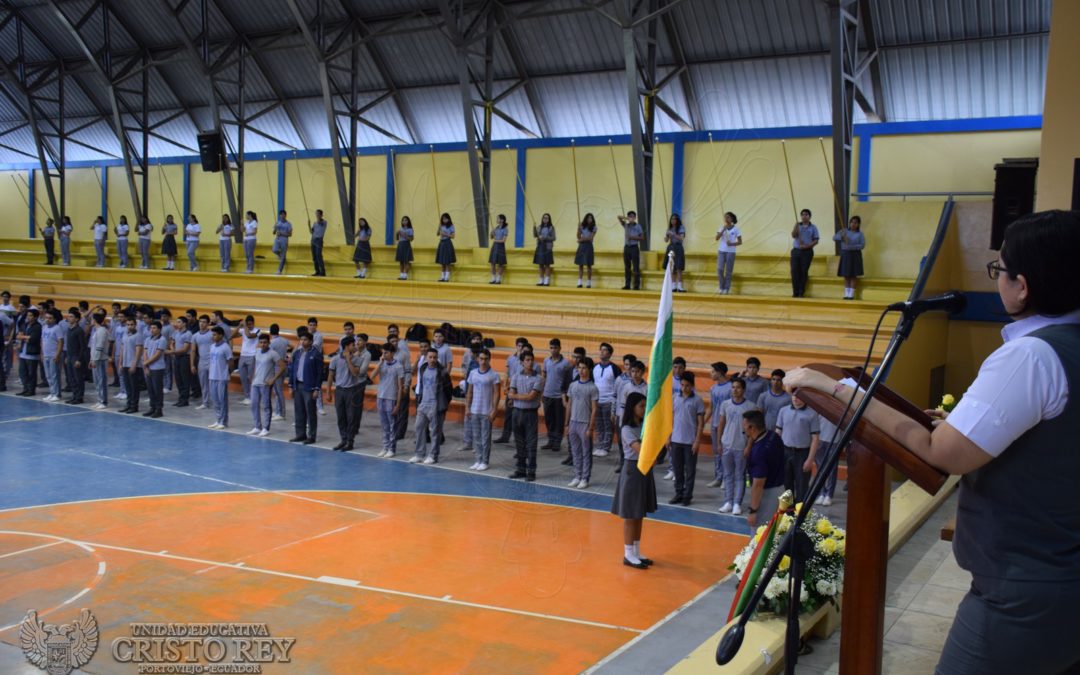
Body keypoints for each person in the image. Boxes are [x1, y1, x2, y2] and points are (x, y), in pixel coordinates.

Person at [786, 209, 1080, 675]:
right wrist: (959, 423)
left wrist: (832, 388)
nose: (997, 278)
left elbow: (939, 452)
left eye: (999, 270)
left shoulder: (1031, 356)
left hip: (1025, 590)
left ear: (1022, 285)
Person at [611, 392, 657, 569]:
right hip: (633, 470)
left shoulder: (644, 426)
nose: (644, 409)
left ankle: (636, 551)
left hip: (644, 471)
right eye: (641, 406)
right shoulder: (626, 429)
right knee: (631, 515)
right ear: (632, 408)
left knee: (639, 514)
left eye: (645, 405)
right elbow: (640, 450)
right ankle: (628, 554)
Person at [717, 377, 757, 514]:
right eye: (733, 387)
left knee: (740, 475)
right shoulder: (725, 404)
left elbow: (753, 430)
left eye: (738, 387)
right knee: (727, 475)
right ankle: (728, 501)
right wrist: (719, 442)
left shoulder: (751, 406)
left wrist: (749, 446)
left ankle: (737, 503)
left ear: (744, 390)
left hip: (741, 446)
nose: (735, 390)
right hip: (726, 444)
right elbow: (721, 423)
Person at [742, 409, 786, 528]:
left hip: (767, 494)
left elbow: (758, 485)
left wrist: (753, 511)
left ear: (752, 428)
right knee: (775, 530)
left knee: (759, 534)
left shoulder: (759, 453)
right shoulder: (774, 436)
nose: (743, 428)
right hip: (780, 489)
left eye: (745, 426)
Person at [774, 394, 820, 503]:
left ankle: (799, 515)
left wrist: (810, 459)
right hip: (785, 452)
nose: (795, 398)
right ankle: (788, 514)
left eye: (798, 396)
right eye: (793, 396)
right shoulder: (783, 411)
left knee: (802, 486)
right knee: (786, 485)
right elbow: (778, 432)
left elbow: (815, 438)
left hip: (802, 454)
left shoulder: (812, 414)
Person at [669, 371, 705, 505]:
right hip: (675, 440)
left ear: (693, 386)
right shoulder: (674, 398)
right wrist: (668, 437)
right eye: (682, 385)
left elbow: (701, 423)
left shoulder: (698, 400)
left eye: (687, 385)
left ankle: (687, 496)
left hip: (690, 442)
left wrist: (697, 441)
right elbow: (671, 419)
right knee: (677, 470)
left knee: (690, 471)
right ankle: (678, 493)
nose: (684, 388)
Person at [508, 350, 543, 481]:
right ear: (522, 362)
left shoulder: (539, 378)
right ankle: (520, 469)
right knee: (519, 443)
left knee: (531, 444)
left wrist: (515, 396)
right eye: (527, 360)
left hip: (530, 413)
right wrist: (516, 396)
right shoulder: (516, 376)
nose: (530, 362)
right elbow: (510, 392)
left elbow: (530, 397)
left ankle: (531, 472)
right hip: (517, 412)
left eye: (531, 360)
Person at [564, 358, 598, 489]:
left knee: (586, 452)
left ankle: (585, 478)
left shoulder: (593, 387)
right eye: (579, 368)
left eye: (584, 368)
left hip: (585, 424)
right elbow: (569, 405)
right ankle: (577, 476)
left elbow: (594, 409)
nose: (581, 371)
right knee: (575, 451)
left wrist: (591, 427)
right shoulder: (573, 385)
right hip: (573, 422)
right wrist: (566, 424)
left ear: (589, 370)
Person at [465, 349, 501, 471]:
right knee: (476, 437)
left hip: (486, 411)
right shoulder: (473, 373)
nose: (483, 361)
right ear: (477, 359)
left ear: (489, 359)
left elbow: (497, 393)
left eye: (486, 358)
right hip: (474, 410)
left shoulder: (494, 375)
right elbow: (469, 391)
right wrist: (467, 407)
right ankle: (478, 460)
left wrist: (494, 410)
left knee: (485, 438)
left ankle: (485, 461)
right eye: (481, 358)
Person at [329, 336, 365, 450]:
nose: (355, 346)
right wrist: (328, 391)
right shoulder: (335, 359)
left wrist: (349, 360)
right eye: (353, 345)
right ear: (346, 346)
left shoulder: (357, 359)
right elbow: (330, 375)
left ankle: (350, 441)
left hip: (351, 391)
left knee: (351, 417)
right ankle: (343, 439)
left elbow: (355, 373)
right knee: (341, 417)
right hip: (339, 390)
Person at [288, 331, 322, 444]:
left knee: (311, 412)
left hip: (310, 387)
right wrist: (291, 385)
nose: (302, 341)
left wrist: (317, 388)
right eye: (301, 339)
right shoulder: (297, 353)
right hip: (298, 385)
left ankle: (312, 436)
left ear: (311, 341)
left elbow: (320, 373)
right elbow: (293, 369)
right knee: (299, 411)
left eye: (305, 340)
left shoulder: (316, 354)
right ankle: (300, 434)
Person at [541, 338, 572, 452]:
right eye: (551, 348)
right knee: (549, 420)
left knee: (559, 420)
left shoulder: (566, 363)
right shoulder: (546, 361)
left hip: (559, 396)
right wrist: (542, 392)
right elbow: (544, 377)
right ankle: (550, 440)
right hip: (547, 394)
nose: (553, 350)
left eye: (555, 348)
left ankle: (557, 442)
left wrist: (566, 396)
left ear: (560, 348)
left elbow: (568, 381)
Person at [375, 343, 405, 458]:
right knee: (384, 425)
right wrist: (379, 363)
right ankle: (385, 447)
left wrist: (397, 404)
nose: (384, 355)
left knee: (392, 425)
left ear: (392, 353)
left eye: (386, 353)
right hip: (380, 397)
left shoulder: (398, 366)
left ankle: (392, 449)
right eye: (383, 353)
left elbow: (400, 387)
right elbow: (372, 376)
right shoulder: (381, 364)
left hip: (391, 398)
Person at [495, 337, 528, 444]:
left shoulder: (526, 360)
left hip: (522, 391)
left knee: (520, 416)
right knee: (508, 414)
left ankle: (520, 439)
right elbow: (507, 373)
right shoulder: (511, 358)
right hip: (511, 389)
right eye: (519, 345)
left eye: (522, 346)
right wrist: (505, 386)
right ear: (516, 346)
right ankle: (505, 436)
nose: (520, 348)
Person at [591, 343, 621, 457]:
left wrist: (615, 401)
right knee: (599, 425)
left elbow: (618, 385)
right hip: (597, 400)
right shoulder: (595, 367)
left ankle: (606, 447)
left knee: (608, 425)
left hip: (609, 401)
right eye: (600, 350)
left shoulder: (614, 368)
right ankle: (599, 446)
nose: (601, 352)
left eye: (604, 350)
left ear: (610, 353)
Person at [706, 361, 732, 488]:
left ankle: (726, 479)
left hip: (727, 425)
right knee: (716, 451)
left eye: (712, 371)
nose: (711, 374)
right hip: (715, 424)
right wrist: (703, 422)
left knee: (725, 452)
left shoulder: (730, 387)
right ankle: (718, 476)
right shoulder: (713, 388)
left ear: (720, 372)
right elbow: (711, 407)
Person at [834, 215, 865, 300]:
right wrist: (842, 236)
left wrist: (851, 246)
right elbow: (834, 237)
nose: (853, 224)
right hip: (845, 255)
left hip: (855, 255)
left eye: (855, 223)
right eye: (852, 222)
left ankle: (851, 294)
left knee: (853, 275)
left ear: (858, 224)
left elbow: (862, 245)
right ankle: (846, 294)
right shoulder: (844, 231)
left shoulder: (860, 234)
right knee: (846, 274)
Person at [790, 208, 819, 297]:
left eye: (806, 214)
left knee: (803, 271)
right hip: (796, 251)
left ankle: (801, 291)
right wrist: (795, 227)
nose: (804, 216)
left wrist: (807, 246)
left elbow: (816, 240)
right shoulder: (798, 226)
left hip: (807, 252)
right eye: (802, 214)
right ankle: (795, 292)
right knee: (794, 271)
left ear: (809, 217)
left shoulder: (813, 227)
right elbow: (793, 235)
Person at [206, 326, 231, 429]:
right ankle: (218, 419)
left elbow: (230, 361)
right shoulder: (212, 346)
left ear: (221, 335)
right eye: (212, 334)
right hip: (212, 376)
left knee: (222, 400)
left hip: (222, 377)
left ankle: (223, 422)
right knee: (215, 400)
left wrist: (227, 373)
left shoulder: (225, 347)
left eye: (215, 334)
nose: (213, 336)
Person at [118, 316, 143, 413]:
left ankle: (134, 406)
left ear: (135, 325)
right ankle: (128, 404)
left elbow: (138, 351)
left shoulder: (138, 336)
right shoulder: (125, 335)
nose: (130, 326)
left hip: (134, 365)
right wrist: (120, 363)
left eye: (132, 324)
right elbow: (122, 349)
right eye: (128, 325)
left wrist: (134, 364)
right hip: (125, 364)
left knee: (134, 387)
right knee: (128, 387)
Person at [142, 320, 167, 418]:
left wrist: (145, 363)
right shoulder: (148, 339)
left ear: (159, 329)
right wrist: (146, 366)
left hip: (157, 368)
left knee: (157, 389)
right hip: (148, 367)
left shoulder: (162, 340)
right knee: (150, 389)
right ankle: (152, 407)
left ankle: (159, 409)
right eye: (151, 328)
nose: (152, 330)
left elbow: (157, 354)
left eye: (154, 328)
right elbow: (145, 352)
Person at [14, 308, 41, 396]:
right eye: (27, 315)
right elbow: (18, 335)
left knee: (31, 373)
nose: (28, 317)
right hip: (23, 353)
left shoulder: (37, 326)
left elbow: (33, 339)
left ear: (36, 317)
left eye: (30, 315)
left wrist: (24, 337)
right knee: (22, 372)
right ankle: (25, 388)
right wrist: (26, 337)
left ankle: (31, 390)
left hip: (32, 354)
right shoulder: (25, 325)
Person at [715, 211, 742, 294]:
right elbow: (716, 238)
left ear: (732, 219)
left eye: (728, 217)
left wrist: (732, 244)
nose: (726, 219)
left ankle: (726, 288)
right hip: (721, 251)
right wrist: (723, 229)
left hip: (731, 252)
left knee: (728, 271)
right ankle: (721, 287)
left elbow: (740, 242)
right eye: (725, 217)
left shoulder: (736, 229)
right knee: (720, 269)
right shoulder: (721, 227)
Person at [618, 211, 644, 290]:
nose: (631, 218)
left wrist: (632, 237)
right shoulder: (626, 225)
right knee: (627, 267)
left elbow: (642, 238)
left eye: (633, 216)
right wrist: (626, 218)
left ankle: (636, 285)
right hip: (627, 247)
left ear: (635, 218)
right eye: (630, 216)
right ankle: (627, 284)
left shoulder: (638, 226)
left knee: (636, 266)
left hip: (634, 247)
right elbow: (618, 217)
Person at [268, 324, 288, 421]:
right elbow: (293, 346)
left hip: (276, 367)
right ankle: (278, 411)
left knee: (278, 391)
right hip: (283, 365)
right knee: (278, 390)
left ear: (270, 332)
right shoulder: (284, 340)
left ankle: (281, 413)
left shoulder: (272, 343)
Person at [170, 317, 192, 407]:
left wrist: (173, 352)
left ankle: (185, 399)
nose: (177, 324)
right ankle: (180, 398)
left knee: (184, 379)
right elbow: (172, 343)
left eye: (179, 322)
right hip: (177, 357)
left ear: (184, 324)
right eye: (176, 322)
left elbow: (185, 348)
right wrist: (173, 350)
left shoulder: (188, 334)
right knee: (178, 379)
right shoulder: (176, 332)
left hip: (184, 357)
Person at [89, 311, 109, 409]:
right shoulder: (96, 331)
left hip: (100, 360)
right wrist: (91, 359)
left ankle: (103, 401)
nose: (91, 321)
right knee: (97, 381)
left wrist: (95, 359)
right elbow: (93, 347)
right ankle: (99, 399)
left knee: (101, 380)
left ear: (95, 320)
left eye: (92, 319)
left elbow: (99, 347)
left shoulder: (102, 331)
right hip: (95, 359)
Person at [663, 214, 687, 292]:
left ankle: (680, 286)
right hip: (671, 247)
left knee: (679, 267)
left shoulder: (681, 227)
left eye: (675, 219)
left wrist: (673, 234)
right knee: (672, 267)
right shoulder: (669, 228)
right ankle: (673, 286)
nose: (673, 220)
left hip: (678, 247)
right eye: (672, 219)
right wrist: (666, 236)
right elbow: (666, 240)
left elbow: (681, 238)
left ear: (677, 220)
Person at [533, 213, 556, 286]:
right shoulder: (539, 227)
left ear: (549, 219)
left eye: (547, 218)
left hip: (547, 247)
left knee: (547, 264)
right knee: (540, 264)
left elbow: (554, 238)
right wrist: (534, 228)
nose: (545, 219)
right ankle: (541, 279)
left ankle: (547, 279)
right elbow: (535, 235)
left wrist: (545, 237)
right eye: (544, 218)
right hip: (540, 246)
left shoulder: (551, 228)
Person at [575, 213, 597, 288]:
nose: (589, 219)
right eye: (588, 218)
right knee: (580, 264)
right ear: (586, 218)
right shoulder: (582, 226)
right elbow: (578, 236)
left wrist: (582, 239)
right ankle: (579, 281)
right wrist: (578, 228)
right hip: (581, 246)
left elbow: (590, 238)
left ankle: (588, 282)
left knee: (588, 265)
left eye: (591, 218)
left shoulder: (594, 227)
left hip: (588, 246)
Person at [435, 213, 456, 282]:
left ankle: (447, 277)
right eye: (443, 219)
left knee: (447, 262)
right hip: (442, 243)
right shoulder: (441, 225)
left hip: (447, 243)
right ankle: (442, 276)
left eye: (446, 219)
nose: (444, 220)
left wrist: (446, 234)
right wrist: (439, 227)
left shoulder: (451, 226)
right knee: (442, 262)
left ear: (449, 219)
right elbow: (437, 234)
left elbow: (453, 236)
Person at [272, 210, 292, 275]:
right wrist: (275, 229)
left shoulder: (288, 224)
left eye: (284, 214)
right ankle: (281, 256)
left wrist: (282, 233)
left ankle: (279, 270)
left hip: (284, 239)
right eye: (281, 214)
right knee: (274, 250)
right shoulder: (277, 223)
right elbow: (273, 233)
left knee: (283, 255)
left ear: (285, 215)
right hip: (277, 239)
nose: (282, 216)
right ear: (279, 215)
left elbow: (290, 234)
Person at [395, 216, 414, 280]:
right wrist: (397, 234)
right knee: (401, 261)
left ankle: (405, 275)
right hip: (400, 244)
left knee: (406, 261)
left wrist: (403, 234)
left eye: (406, 220)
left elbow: (411, 239)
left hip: (406, 245)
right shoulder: (401, 228)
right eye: (403, 220)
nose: (404, 221)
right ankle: (401, 274)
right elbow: (397, 239)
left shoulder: (410, 229)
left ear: (408, 221)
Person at [309, 209, 327, 277]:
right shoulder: (315, 223)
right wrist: (308, 225)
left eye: (318, 214)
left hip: (319, 240)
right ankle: (317, 271)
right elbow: (311, 232)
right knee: (314, 257)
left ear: (321, 215)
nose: (317, 215)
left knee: (319, 255)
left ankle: (323, 272)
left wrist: (319, 218)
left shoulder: (324, 222)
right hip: (313, 240)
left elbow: (320, 222)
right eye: (316, 213)